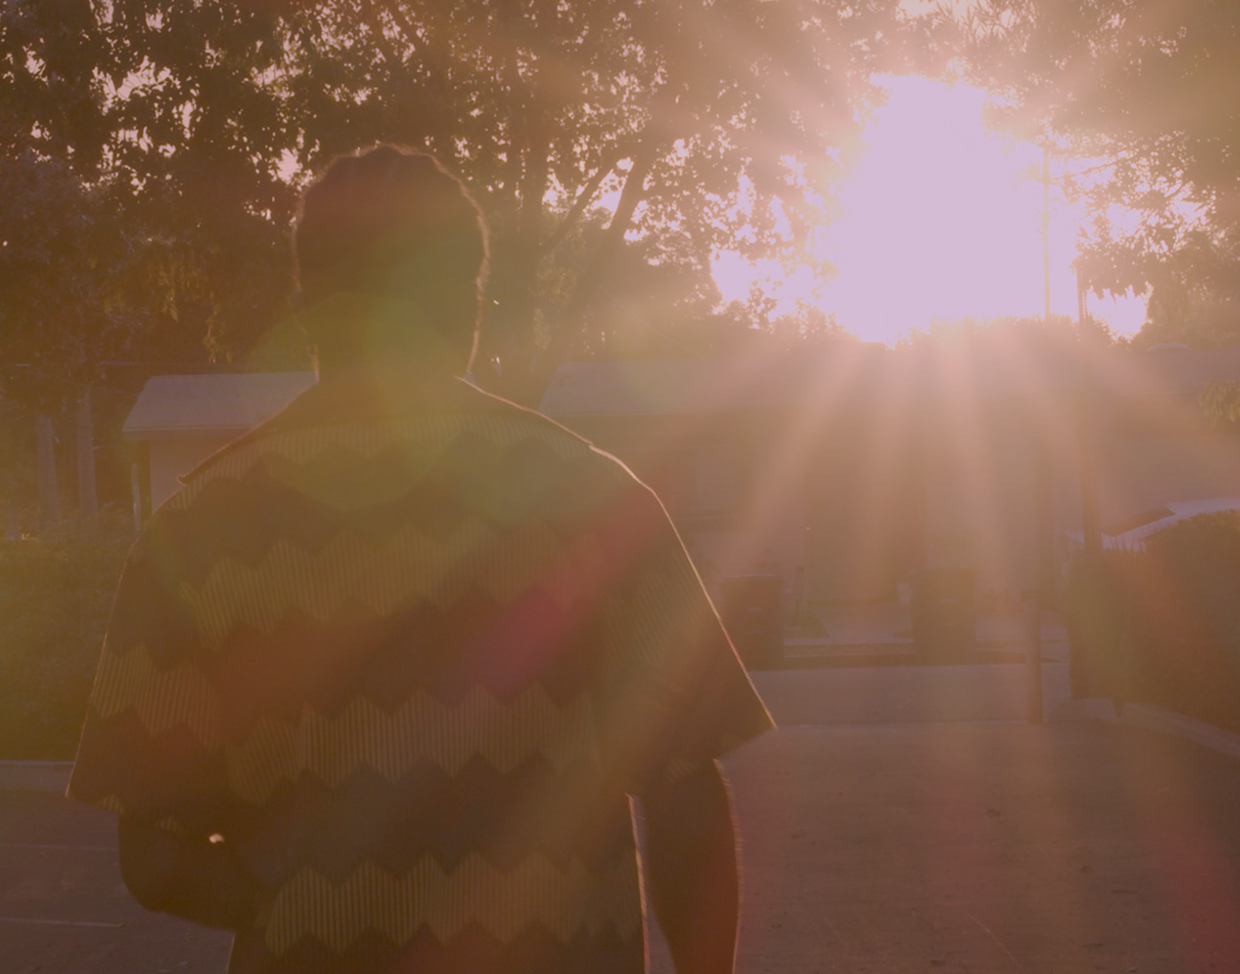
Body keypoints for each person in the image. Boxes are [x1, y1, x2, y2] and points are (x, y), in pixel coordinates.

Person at [69, 145, 773, 974]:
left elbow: (154, 857)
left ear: (306, 307)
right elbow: (687, 801)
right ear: (469, 308)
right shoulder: (593, 499)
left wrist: (309, 901)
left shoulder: (193, 532)